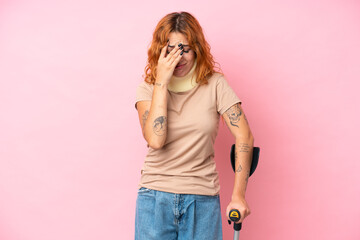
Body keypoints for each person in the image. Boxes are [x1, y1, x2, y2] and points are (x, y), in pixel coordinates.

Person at [134, 11, 254, 239]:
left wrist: (238, 195)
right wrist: (162, 81)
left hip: (202, 199)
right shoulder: (148, 88)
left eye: (185, 50)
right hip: (155, 198)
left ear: (196, 49)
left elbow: (245, 137)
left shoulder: (215, 85)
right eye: (170, 50)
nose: (177, 57)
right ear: (160, 51)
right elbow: (156, 140)